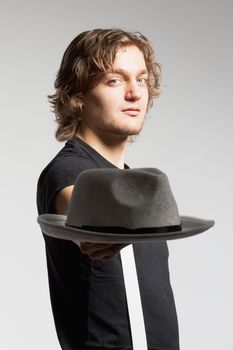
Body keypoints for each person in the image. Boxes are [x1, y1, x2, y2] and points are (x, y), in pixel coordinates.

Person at [37, 28, 179, 350]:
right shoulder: (71, 170)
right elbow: (79, 212)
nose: (135, 93)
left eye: (141, 79)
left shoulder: (131, 187)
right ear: (78, 95)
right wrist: (90, 234)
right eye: (115, 80)